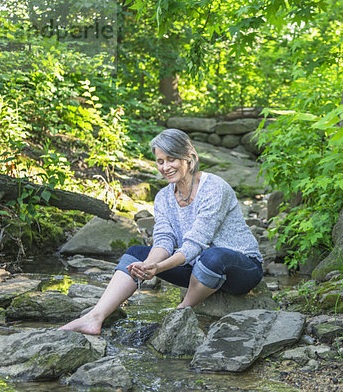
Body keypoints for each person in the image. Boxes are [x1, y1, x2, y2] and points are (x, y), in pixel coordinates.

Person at [60, 129, 263, 335]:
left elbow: (196, 243)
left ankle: (181, 310)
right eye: (160, 161)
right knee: (136, 254)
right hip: (199, 269)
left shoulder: (214, 188)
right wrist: (147, 266)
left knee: (213, 255)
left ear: (189, 158)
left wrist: (158, 268)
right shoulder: (164, 197)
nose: (165, 167)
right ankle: (95, 317)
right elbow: (164, 240)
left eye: (171, 159)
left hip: (241, 268)